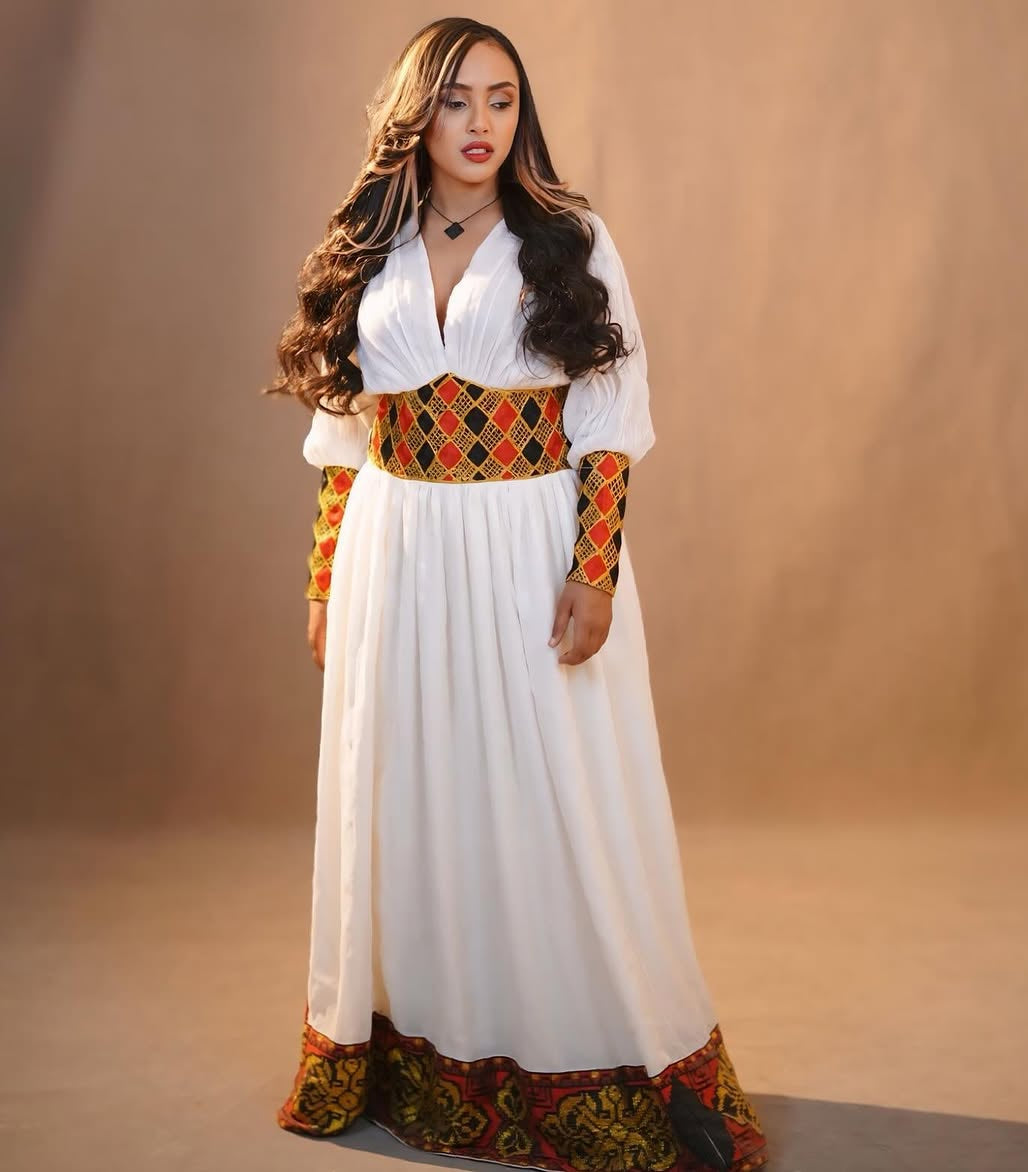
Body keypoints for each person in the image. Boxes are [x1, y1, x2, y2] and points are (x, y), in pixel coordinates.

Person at [263, 17, 769, 1172]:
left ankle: (588, 1048)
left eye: (501, 98)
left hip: (526, 539)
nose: (482, 122)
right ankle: (424, 1055)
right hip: (398, 546)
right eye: (456, 100)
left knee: (558, 796)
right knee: (415, 794)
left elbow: (609, 424)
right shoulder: (365, 243)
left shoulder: (569, 236)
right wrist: (323, 578)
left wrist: (592, 570)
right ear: (416, 116)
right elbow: (343, 438)